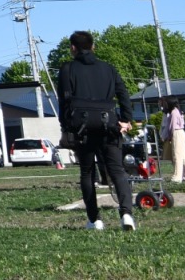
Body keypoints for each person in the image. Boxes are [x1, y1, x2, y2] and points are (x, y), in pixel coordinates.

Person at [58, 30, 137, 232]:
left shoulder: (67, 69)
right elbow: (123, 93)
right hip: (108, 124)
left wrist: (66, 127)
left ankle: (95, 220)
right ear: (93, 46)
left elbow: (64, 101)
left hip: (82, 128)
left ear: (73, 48)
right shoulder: (108, 68)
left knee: (87, 172)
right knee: (117, 170)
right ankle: (127, 214)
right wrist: (126, 119)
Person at [160, 97, 185, 183]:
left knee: (177, 156)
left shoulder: (173, 112)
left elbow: (172, 126)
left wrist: (169, 136)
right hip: (181, 133)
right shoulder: (178, 111)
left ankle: (177, 176)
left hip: (177, 133)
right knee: (183, 156)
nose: (165, 104)